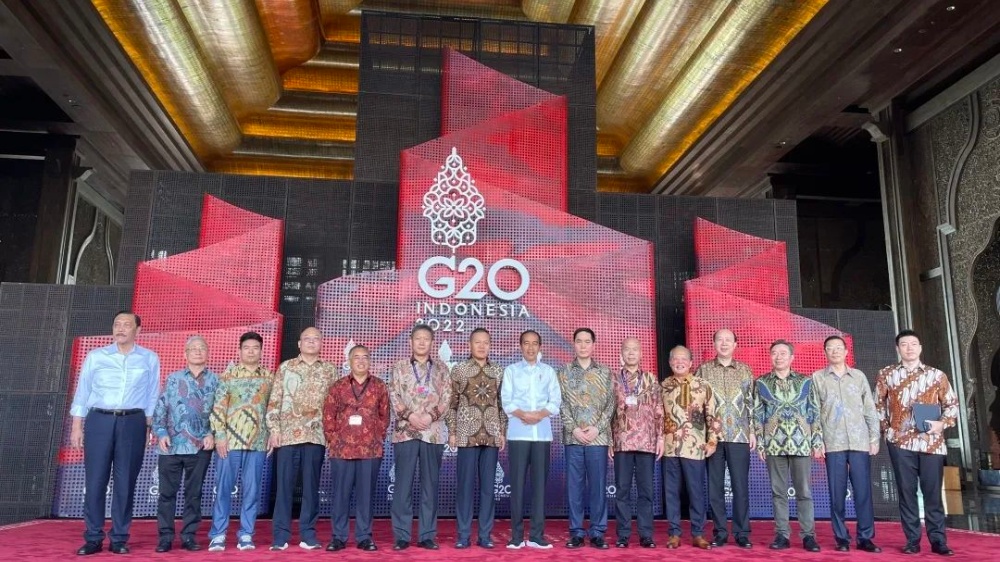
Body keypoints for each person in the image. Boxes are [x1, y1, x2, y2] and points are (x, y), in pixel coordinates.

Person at [70, 311, 160, 556]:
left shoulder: (149, 358)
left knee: (125, 483)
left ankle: (119, 537)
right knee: (95, 481)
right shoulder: (96, 356)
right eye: (117, 324)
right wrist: (77, 426)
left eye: (126, 325)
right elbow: (82, 391)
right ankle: (93, 537)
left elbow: (152, 394)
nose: (120, 329)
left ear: (137, 330)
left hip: (133, 422)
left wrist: (149, 426)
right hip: (99, 420)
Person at [876, 329, 959, 556]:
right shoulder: (886, 374)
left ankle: (938, 540)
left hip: (931, 443)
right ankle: (912, 540)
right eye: (904, 344)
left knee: (933, 493)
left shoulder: (936, 375)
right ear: (898, 348)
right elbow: (878, 405)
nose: (909, 348)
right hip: (900, 444)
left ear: (920, 348)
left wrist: (942, 424)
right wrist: (887, 431)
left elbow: (952, 405)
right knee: (906, 492)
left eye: (913, 343)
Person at [265, 327, 336, 551]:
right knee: (284, 487)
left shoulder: (329, 370)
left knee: (311, 488)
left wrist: (332, 434)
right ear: (299, 343)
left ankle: (308, 534)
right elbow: (274, 401)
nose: (311, 342)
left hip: (316, 435)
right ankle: (280, 536)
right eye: (307, 339)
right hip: (287, 435)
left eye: (316, 339)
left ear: (321, 343)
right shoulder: (286, 367)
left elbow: (335, 405)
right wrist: (274, 429)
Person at [811, 335, 882, 553]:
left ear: (846, 351)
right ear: (825, 353)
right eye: (830, 348)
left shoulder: (858, 376)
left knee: (863, 492)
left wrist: (874, 438)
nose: (834, 351)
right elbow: (813, 412)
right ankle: (841, 537)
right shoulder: (818, 377)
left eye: (838, 348)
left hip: (860, 441)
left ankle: (865, 537)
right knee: (837, 493)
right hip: (833, 442)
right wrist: (817, 441)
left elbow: (869, 408)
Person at [754, 339, 822, 552]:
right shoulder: (762, 382)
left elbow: (814, 411)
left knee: (804, 491)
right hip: (774, 444)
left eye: (783, 353)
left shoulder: (805, 382)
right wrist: (761, 443)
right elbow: (758, 414)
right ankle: (782, 534)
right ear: (770, 356)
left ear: (792, 357)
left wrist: (817, 440)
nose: (778, 357)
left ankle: (808, 535)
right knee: (778, 492)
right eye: (774, 353)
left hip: (801, 443)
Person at [207, 332, 273, 552]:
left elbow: (273, 408)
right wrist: (220, 436)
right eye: (247, 347)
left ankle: (246, 533)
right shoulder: (228, 376)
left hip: (258, 442)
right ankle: (218, 534)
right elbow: (218, 408)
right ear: (239, 350)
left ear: (261, 351)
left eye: (255, 348)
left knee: (252, 491)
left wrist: (272, 433)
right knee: (223, 489)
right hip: (230, 443)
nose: (251, 351)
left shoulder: (269, 377)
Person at [152, 335, 218, 553]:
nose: (198, 351)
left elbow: (220, 413)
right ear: (185, 354)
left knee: (194, 494)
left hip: (200, 447)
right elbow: (161, 409)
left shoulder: (216, 381)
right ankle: (165, 537)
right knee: (166, 494)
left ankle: (189, 536)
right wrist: (161, 432)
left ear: (208, 354)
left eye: (202, 348)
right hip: (171, 446)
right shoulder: (173, 379)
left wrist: (212, 434)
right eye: (193, 348)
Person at [389, 324, 451, 551]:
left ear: (432, 342)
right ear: (411, 342)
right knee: (402, 486)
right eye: (418, 338)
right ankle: (402, 535)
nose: (422, 342)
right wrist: (411, 416)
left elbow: (447, 398)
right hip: (406, 432)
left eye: (426, 339)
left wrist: (430, 416)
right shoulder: (399, 367)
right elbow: (393, 395)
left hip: (432, 434)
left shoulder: (442, 369)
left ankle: (427, 535)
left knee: (429, 487)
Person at [323, 344, 390, 552]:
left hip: (370, 450)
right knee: (340, 496)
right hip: (342, 450)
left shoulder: (379, 386)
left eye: (365, 357)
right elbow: (329, 415)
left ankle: (364, 537)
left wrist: (376, 436)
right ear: (349, 361)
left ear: (370, 361)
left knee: (365, 496)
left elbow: (385, 416)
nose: (361, 361)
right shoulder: (338, 386)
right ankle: (338, 537)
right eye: (357, 357)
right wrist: (334, 439)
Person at [446, 328, 507, 549]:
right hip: (466, 435)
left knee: (488, 489)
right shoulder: (460, 370)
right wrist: (452, 431)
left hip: (491, 435)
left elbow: (502, 405)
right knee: (465, 487)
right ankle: (463, 535)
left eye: (486, 343)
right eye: (477, 342)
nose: (482, 346)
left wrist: (502, 432)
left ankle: (485, 535)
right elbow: (451, 404)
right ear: (469, 345)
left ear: (490, 345)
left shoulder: (498, 371)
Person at [502, 330, 562, 549]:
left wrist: (539, 415)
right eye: (526, 343)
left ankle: (537, 535)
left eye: (534, 343)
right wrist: (523, 415)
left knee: (539, 488)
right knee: (517, 487)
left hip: (542, 436)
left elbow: (555, 401)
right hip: (518, 435)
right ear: (520, 346)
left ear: (540, 347)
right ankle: (516, 537)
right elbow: (506, 401)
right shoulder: (511, 371)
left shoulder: (548, 371)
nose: (530, 347)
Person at [695, 328, 755, 548]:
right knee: (715, 487)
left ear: (735, 344)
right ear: (714, 344)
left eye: (728, 340)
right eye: (719, 339)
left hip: (740, 435)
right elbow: (697, 405)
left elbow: (751, 403)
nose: (724, 343)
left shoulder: (745, 370)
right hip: (713, 438)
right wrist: (702, 434)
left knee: (740, 487)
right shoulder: (703, 370)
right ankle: (720, 531)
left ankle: (742, 532)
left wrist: (753, 431)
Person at [558, 328, 615, 549]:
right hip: (573, 438)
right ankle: (576, 532)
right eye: (579, 341)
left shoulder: (605, 372)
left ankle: (598, 532)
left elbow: (610, 405)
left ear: (594, 345)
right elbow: (560, 403)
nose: (583, 345)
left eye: (587, 341)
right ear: (573, 344)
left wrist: (597, 429)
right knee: (575, 487)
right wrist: (573, 429)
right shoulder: (563, 372)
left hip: (597, 439)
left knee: (598, 487)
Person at [660, 345, 719, 549]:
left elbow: (712, 415)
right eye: (675, 359)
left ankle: (698, 533)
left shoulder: (703, 385)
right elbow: (657, 417)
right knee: (671, 493)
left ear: (691, 363)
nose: (679, 362)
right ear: (670, 363)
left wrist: (712, 441)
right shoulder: (663, 386)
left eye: (683, 359)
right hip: (670, 448)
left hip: (695, 447)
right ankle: (674, 533)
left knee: (696, 492)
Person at [611, 338, 663, 549]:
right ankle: (623, 534)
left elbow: (659, 410)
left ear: (641, 354)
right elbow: (608, 412)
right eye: (627, 349)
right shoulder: (614, 379)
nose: (631, 353)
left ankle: (646, 534)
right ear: (621, 353)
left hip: (646, 442)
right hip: (622, 442)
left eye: (635, 350)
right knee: (622, 491)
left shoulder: (650, 379)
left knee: (646, 492)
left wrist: (660, 437)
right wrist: (609, 441)